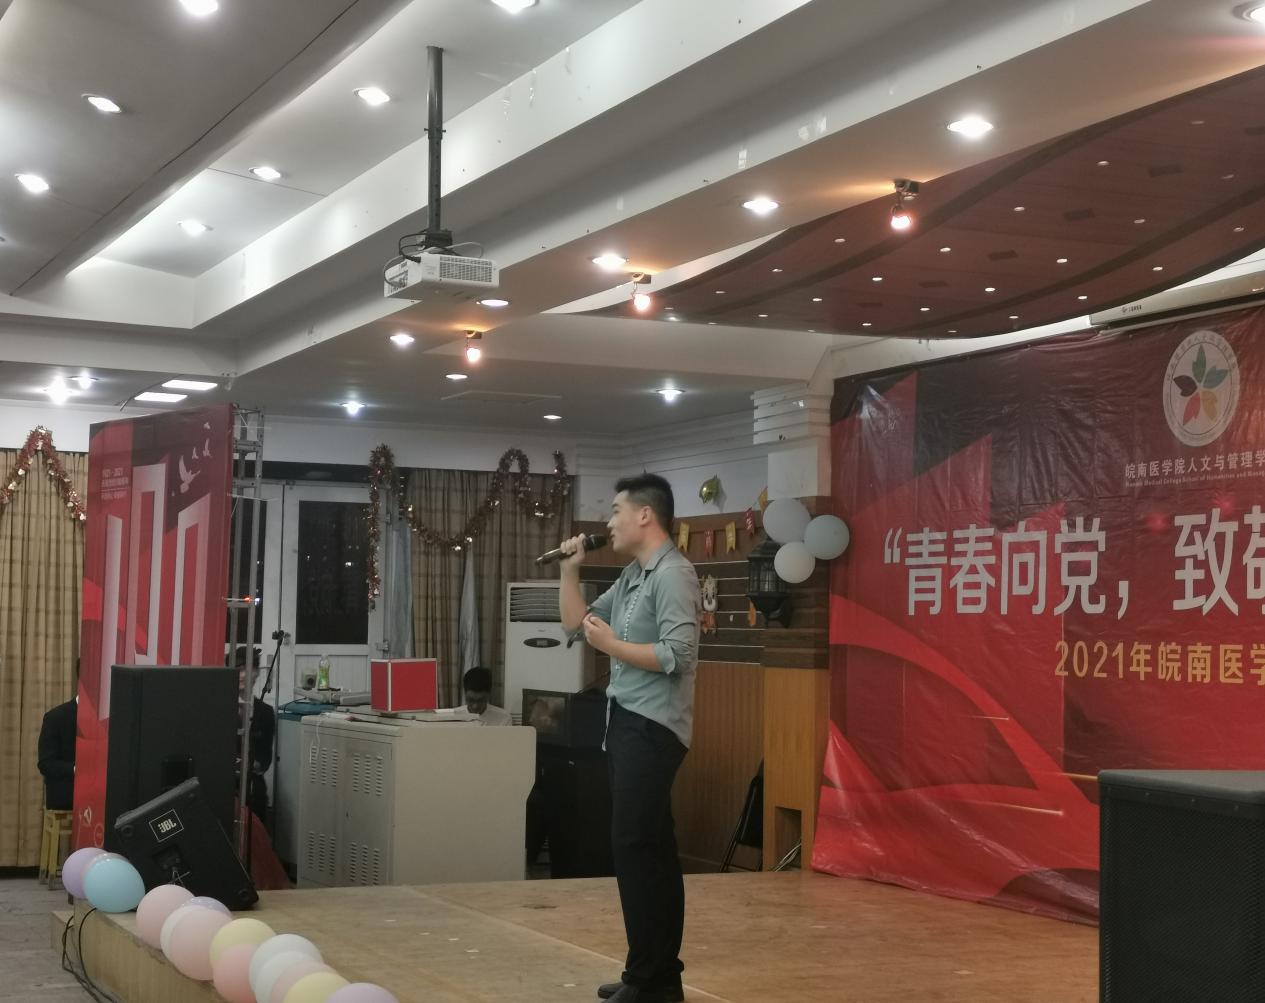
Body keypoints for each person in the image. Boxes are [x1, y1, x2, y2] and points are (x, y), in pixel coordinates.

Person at [558, 473, 699, 1003]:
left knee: (636, 847)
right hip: (625, 723)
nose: (609, 522)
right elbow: (576, 623)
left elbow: (677, 655)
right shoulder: (634, 575)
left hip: (654, 728)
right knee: (649, 849)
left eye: (616, 510)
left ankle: (648, 978)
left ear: (645, 514)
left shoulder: (674, 574)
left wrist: (613, 646)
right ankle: (657, 977)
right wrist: (570, 570)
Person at [231, 646, 276, 821]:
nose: (242, 675)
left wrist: (250, 765)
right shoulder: (219, 707)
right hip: (225, 780)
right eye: (238, 669)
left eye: (247, 669)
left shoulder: (266, 712)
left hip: (252, 781)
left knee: (257, 793)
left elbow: (265, 759)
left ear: (256, 673)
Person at [38, 694, 79, 811]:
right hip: (66, 798)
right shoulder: (55, 717)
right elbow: (45, 763)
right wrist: (76, 769)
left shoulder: (107, 717)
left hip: (103, 797)